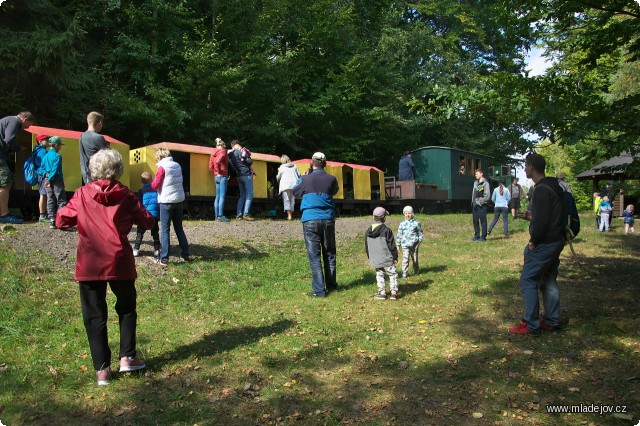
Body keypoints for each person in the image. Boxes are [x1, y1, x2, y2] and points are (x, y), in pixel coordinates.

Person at [56, 148, 155, 385]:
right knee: (127, 308)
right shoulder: (127, 196)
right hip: (119, 259)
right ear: (119, 170)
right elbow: (148, 221)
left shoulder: (82, 194)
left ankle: (102, 371)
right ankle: (128, 358)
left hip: (90, 261)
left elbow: (61, 220)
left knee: (94, 315)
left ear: (93, 170)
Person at [508, 153, 565, 335]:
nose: (524, 169)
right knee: (548, 279)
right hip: (556, 239)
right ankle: (551, 321)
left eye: (525, 165)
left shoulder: (541, 189)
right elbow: (549, 216)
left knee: (528, 279)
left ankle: (531, 324)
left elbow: (542, 223)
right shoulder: (554, 186)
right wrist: (532, 217)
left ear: (532, 167)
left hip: (545, 242)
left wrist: (533, 241)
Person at [292, 152, 339, 297]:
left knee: (314, 256)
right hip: (328, 219)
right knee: (329, 253)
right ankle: (332, 285)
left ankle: (319, 290)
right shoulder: (332, 179)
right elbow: (334, 191)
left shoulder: (305, 179)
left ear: (312, 163)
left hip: (310, 219)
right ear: (325, 163)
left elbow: (295, 192)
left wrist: (304, 177)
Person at [151, 148, 190, 264]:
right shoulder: (177, 165)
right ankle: (185, 254)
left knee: (165, 230)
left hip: (166, 201)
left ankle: (164, 258)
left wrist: (150, 183)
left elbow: (155, 185)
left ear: (159, 157)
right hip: (178, 200)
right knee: (179, 228)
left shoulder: (162, 168)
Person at [0, 111, 35, 224]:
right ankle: (4, 214)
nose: (27, 128)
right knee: (5, 183)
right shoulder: (15, 121)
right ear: (25, 120)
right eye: (28, 125)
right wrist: (19, 149)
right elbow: (9, 139)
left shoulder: (7, 119)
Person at [365, 207, 399, 301]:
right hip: (386, 258)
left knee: (379, 274)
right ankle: (393, 293)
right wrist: (395, 256)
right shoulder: (387, 230)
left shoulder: (368, 231)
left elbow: (367, 246)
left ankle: (382, 293)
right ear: (384, 218)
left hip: (375, 258)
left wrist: (370, 257)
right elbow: (391, 245)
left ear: (373, 217)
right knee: (392, 274)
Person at [41, 136, 67, 229]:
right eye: (60, 145)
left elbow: (42, 168)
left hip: (47, 178)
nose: (60, 147)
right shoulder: (57, 156)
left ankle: (52, 220)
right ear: (56, 145)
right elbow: (55, 169)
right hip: (56, 179)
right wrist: (50, 179)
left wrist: (46, 176)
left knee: (50, 199)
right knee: (61, 200)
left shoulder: (45, 156)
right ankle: (60, 220)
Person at [133, 171, 160, 257]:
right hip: (154, 215)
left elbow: (139, 204)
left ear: (142, 182)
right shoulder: (156, 190)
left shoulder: (141, 191)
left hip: (145, 215)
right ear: (152, 180)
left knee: (140, 232)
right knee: (155, 232)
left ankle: (136, 249)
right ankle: (157, 249)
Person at [79, 111, 109, 184]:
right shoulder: (98, 138)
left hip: (86, 176)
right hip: (97, 178)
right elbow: (110, 158)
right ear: (99, 123)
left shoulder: (82, 137)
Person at [228, 140, 254, 221]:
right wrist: (248, 157)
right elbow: (249, 162)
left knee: (242, 195)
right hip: (246, 175)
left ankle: (239, 215)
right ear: (236, 145)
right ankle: (246, 214)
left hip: (238, 176)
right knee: (250, 195)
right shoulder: (240, 152)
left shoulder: (230, 156)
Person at [396, 205, 423, 279]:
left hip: (414, 245)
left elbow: (420, 233)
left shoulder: (416, 223)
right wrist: (398, 245)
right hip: (405, 245)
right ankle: (404, 273)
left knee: (415, 259)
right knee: (405, 259)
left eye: (409, 213)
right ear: (404, 214)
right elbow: (399, 234)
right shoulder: (402, 224)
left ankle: (416, 271)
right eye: (406, 213)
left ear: (412, 214)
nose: (408, 215)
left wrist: (419, 241)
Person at [209, 138, 230, 222]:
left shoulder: (212, 152)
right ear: (223, 145)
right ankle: (221, 216)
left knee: (217, 196)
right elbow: (217, 162)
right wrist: (220, 172)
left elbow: (210, 167)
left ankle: (216, 216)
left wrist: (216, 172)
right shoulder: (223, 151)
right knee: (222, 196)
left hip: (216, 176)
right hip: (222, 176)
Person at [276, 155, 301, 220]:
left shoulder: (281, 167)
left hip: (285, 185)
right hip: (294, 185)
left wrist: (277, 179)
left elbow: (278, 177)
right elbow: (299, 174)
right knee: (292, 200)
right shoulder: (295, 166)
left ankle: (289, 216)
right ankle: (290, 215)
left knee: (286, 200)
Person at [33, 134, 51, 223]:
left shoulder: (38, 150)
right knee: (43, 195)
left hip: (40, 175)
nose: (48, 141)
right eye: (46, 139)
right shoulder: (43, 151)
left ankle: (43, 214)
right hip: (43, 175)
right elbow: (45, 164)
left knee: (43, 194)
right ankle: (42, 215)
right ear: (40, 141)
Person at [471, 168, 490, 242]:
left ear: (481, 174)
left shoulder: (486, 183)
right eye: (475, 174)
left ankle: (483, 237)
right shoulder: (475, 183)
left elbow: (487, 196)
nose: (476, 175)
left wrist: (480, 201)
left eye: (477, 173)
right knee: (475, 221)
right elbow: (474, 193)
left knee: (483, 221)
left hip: (481, 205)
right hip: (475, 205)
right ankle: (477, 235)